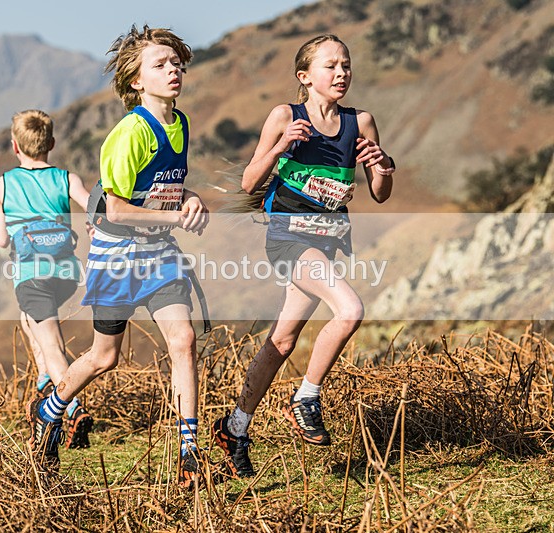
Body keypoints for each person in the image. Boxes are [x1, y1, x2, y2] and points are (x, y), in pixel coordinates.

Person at [27, 25, 209, 486]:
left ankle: (189, 453)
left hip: (160, 253)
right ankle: (50, 409)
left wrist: (188, 199)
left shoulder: (180, 123)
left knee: (183, 341)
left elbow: (163, 189)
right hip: (117, 256)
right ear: (136, 81)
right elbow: (112, 207)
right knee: (104, 357)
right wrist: (174, 219)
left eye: (176, 63)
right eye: (160, 65)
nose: (174, 71)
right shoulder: (130, 132)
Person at [213, 34, 396, 478]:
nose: (341, 73)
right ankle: (306, 398)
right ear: (305, 77)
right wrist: (281, 147)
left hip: (329, 239)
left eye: (346, 65)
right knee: (350, 310)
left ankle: (234, 427)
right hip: (288, 237)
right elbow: (250, 182)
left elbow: (381, 193)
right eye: (330, 66)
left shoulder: (361, 121)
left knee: (282, 340)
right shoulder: (285, 115)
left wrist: (382, 165)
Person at [0, 109, 94, 452]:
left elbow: (2, 241)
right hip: (65, 274)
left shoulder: (5, 183)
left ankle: (73, 408)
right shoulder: (67, 178)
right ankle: (43, 380)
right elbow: (93, 206)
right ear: (51, 143)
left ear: (14, 146)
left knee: (51, 344)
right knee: (30, 322)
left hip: (31, 276)